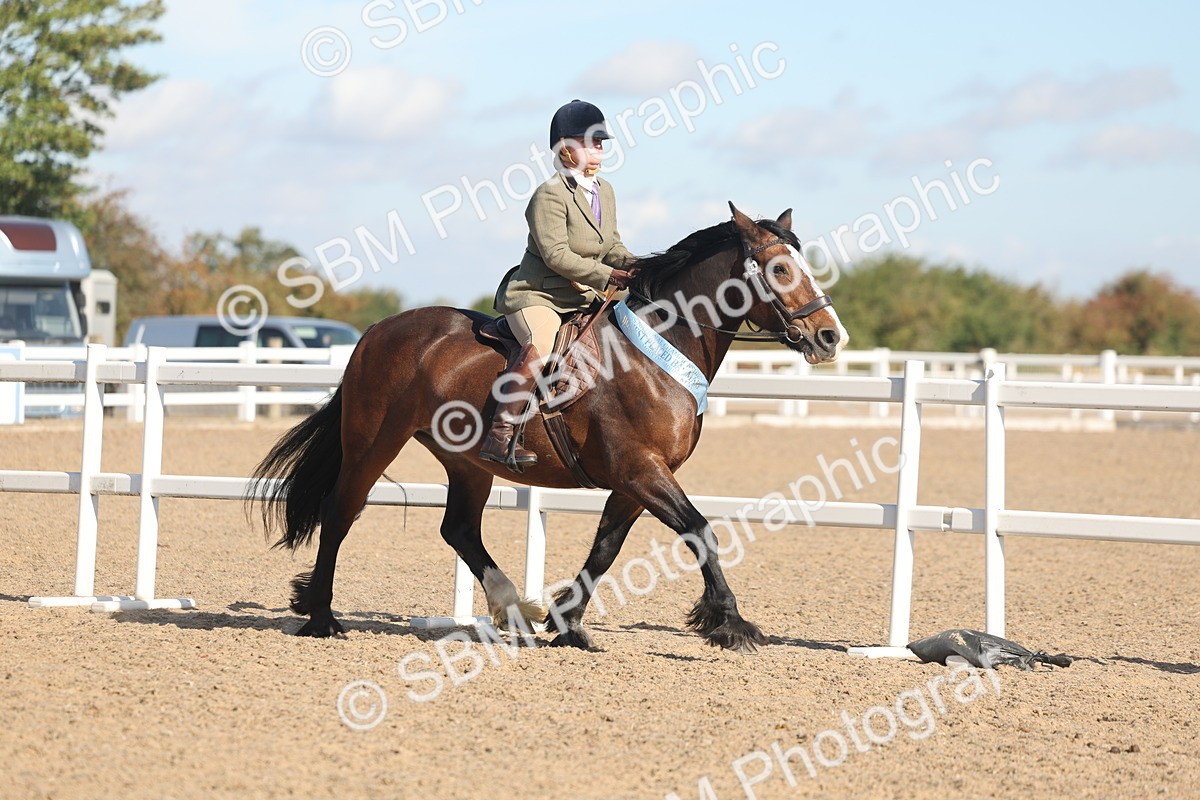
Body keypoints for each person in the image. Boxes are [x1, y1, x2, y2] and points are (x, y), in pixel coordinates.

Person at [479, 99, 638, 469]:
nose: (600, 148)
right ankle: (499, 435)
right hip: (539, 295)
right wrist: (608, 276)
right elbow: (556, 255)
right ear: (566, 146)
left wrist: (640, 266)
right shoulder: (548, 194)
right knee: (542, 342)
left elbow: (611, 244)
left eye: (602, 142)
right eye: (592, 141)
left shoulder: (605, 191)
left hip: (583, 295)